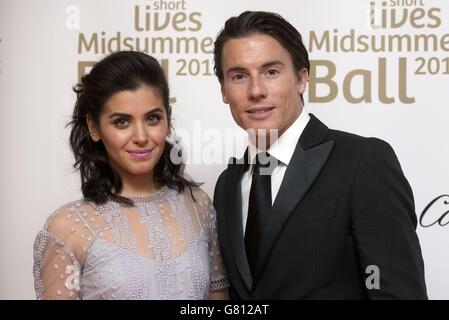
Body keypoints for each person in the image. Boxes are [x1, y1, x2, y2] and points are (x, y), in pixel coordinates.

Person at [212, 11, 427, 299]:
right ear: (224, 91)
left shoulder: (363, 162)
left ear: (301, 79)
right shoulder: (227, 184)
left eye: (271, 72)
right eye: (239, 76)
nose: (256, 90)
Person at [33, 51, 229, 300]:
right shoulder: (67, 228)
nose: (141, 137)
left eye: (152, 118)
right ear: (94, 127)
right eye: (122, 122)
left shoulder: (198, 205)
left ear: (168, 119)